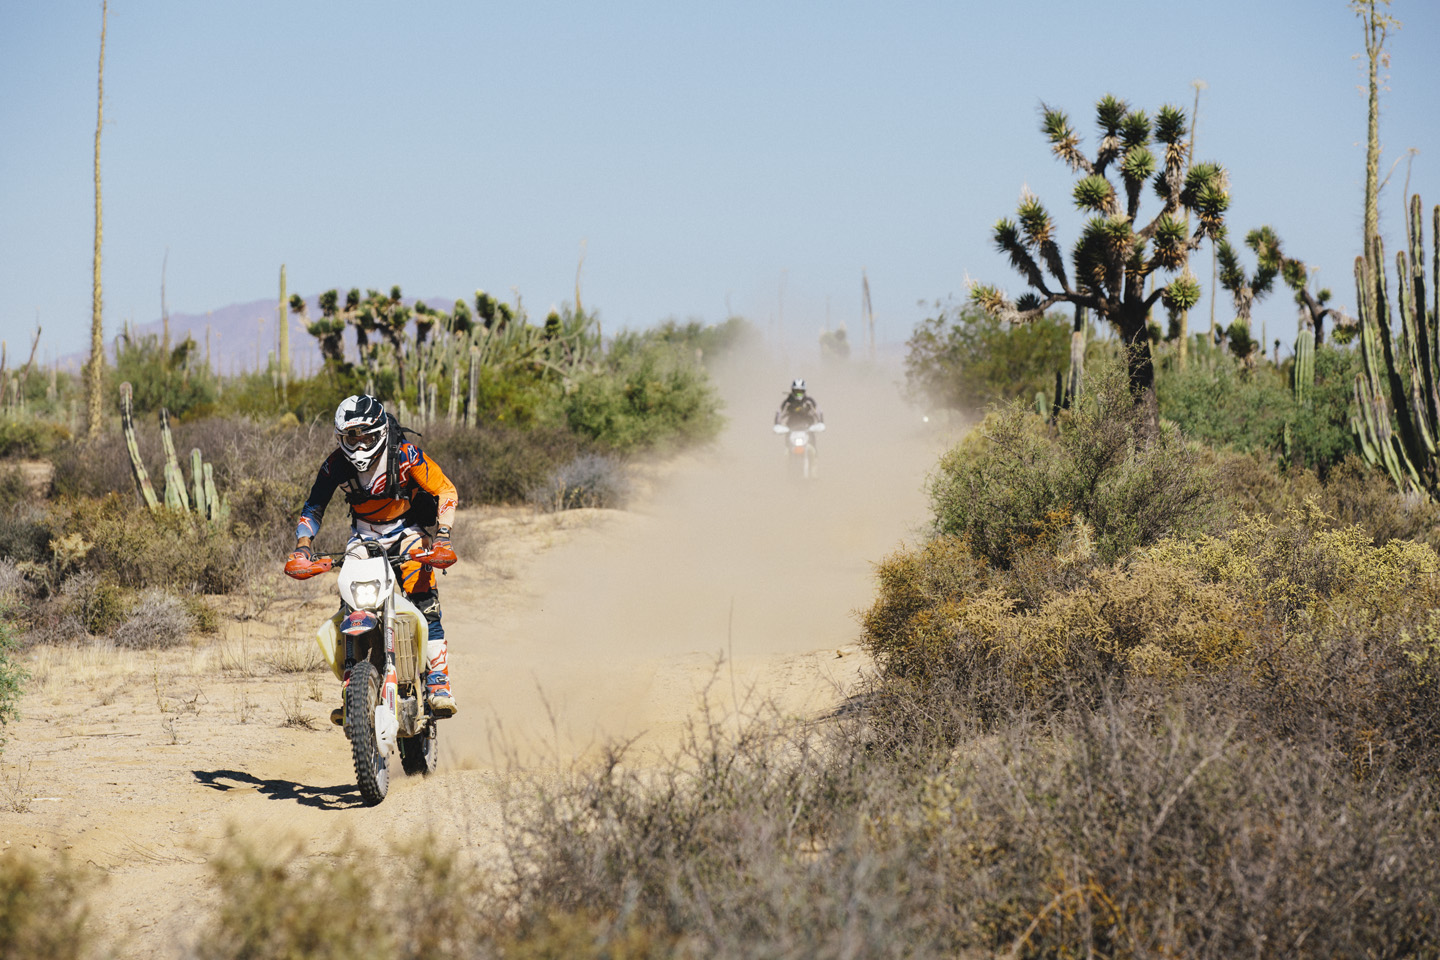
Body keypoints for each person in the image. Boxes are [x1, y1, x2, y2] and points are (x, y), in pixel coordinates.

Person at [284, 395, 460, 720]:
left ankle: (438, 681)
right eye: (352, 436)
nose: (360, 443)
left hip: (407, 530)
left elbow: (445, 490)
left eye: (366, 434)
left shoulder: (406, 456)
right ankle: (353, 686)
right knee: (349, 604)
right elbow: (313, 506)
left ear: (380, 431)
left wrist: (443, 537)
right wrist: (303, 546)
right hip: (363, 536)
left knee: (425, 601)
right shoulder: (336, 464)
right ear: (341, 437)